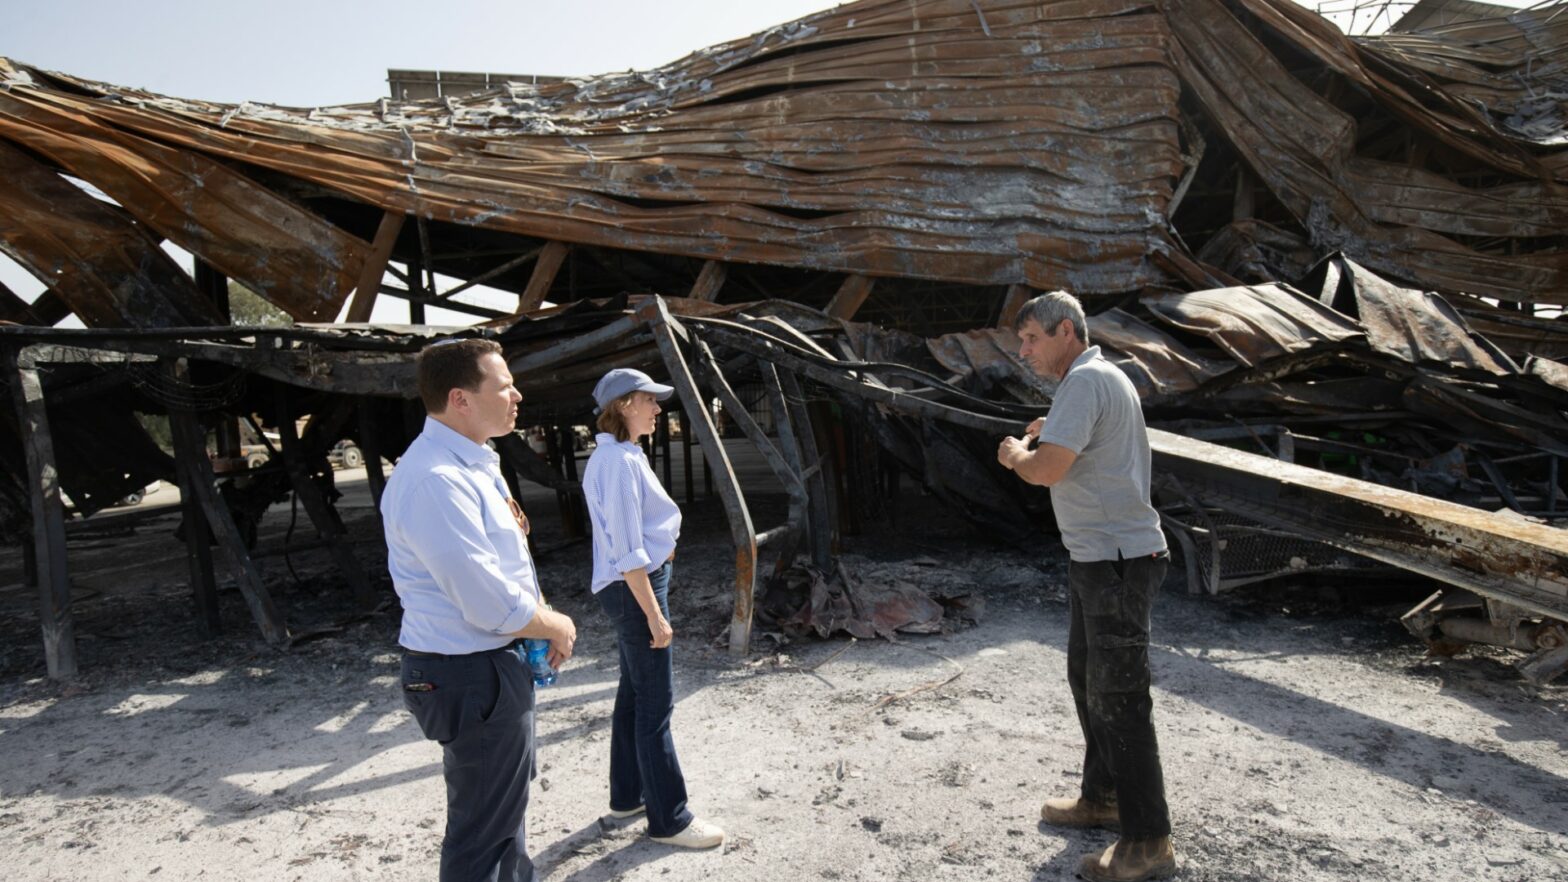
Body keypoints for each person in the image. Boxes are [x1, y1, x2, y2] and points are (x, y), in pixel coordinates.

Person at [382, 338, 577, 882]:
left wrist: (534, 616)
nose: (517, 394)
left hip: (485, 665)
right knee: (482, 837)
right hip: (470, 671)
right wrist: (556, 623)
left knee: (500, 816)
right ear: (460, 399)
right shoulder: (436, 481)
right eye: (503, 385)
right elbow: (486, 601)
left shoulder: (469, 463)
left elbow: (499, 570)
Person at [996, 292, 1175, 882]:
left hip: (1118, 563)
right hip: (1100, 559)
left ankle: (1149, 843)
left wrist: (1018, 453)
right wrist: (1054, 432)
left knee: (1121, 700)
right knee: (1089, 681)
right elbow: (1084, 446)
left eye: (1031, 339)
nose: (1023, 351)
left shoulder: (1084, 382)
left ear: (1065, 330)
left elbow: (1047, 470)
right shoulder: (1098, 378)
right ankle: (1103, 797)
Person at [581, 367, 725, 850]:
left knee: (634, 696)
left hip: (632, 587)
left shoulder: (620, 455)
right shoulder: (618, 463)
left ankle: (628, 796)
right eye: (649, 400)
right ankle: (670, 820)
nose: (658, 409)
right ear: (623, 405)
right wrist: (654, 614)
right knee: (655, 707)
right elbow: (626, 550)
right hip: (634, 589)